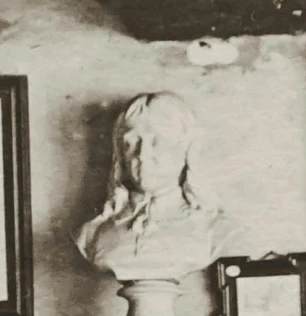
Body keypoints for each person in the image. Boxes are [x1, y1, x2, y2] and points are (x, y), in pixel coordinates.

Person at [74, 91, 226, 284]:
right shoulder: (92, 233)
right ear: (119, 155)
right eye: (130, 143)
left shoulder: (214, 229)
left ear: (187, 150)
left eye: (158, 142)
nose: (142, 155)